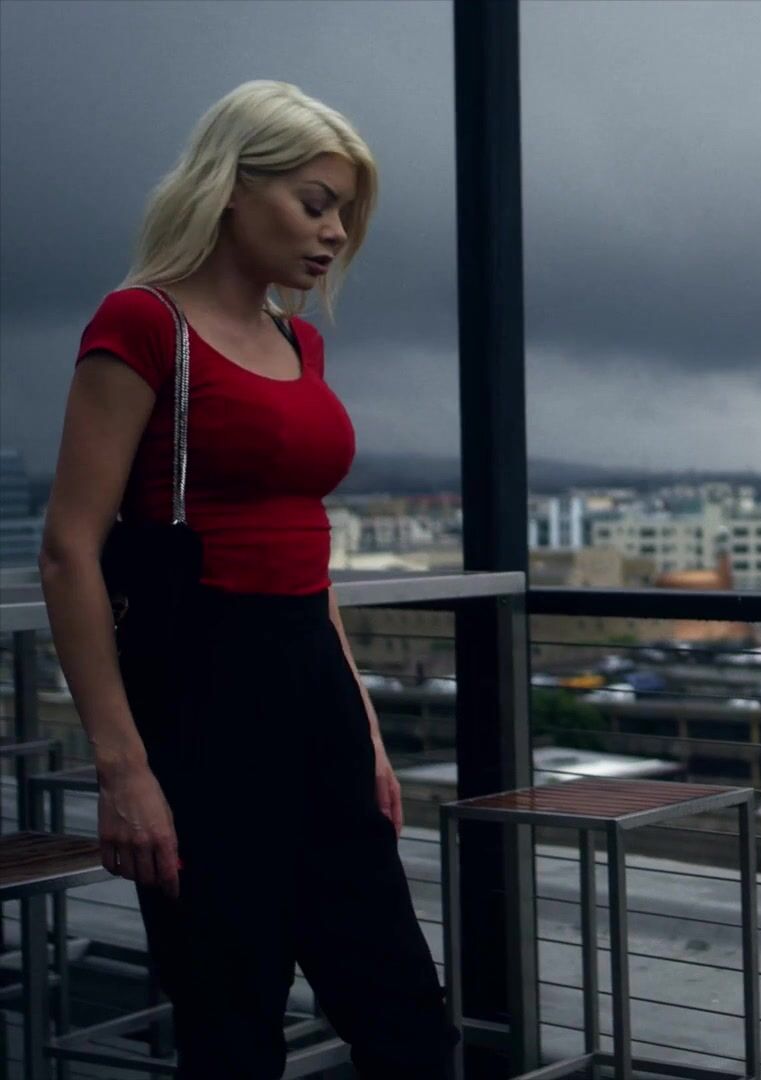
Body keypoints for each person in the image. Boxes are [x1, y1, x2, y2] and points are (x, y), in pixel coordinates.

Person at [37, 80, 457, 1079]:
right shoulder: (141, 323)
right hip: (199, 700)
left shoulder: (300, 341)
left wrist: (364, 729)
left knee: (405, 1020)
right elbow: (68, 550)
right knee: (232, 1028)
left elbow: (308, 556)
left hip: (312, 687)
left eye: (344, 212)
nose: (336, 233)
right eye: (315, 203)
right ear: (231, 187)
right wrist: (124, 772)